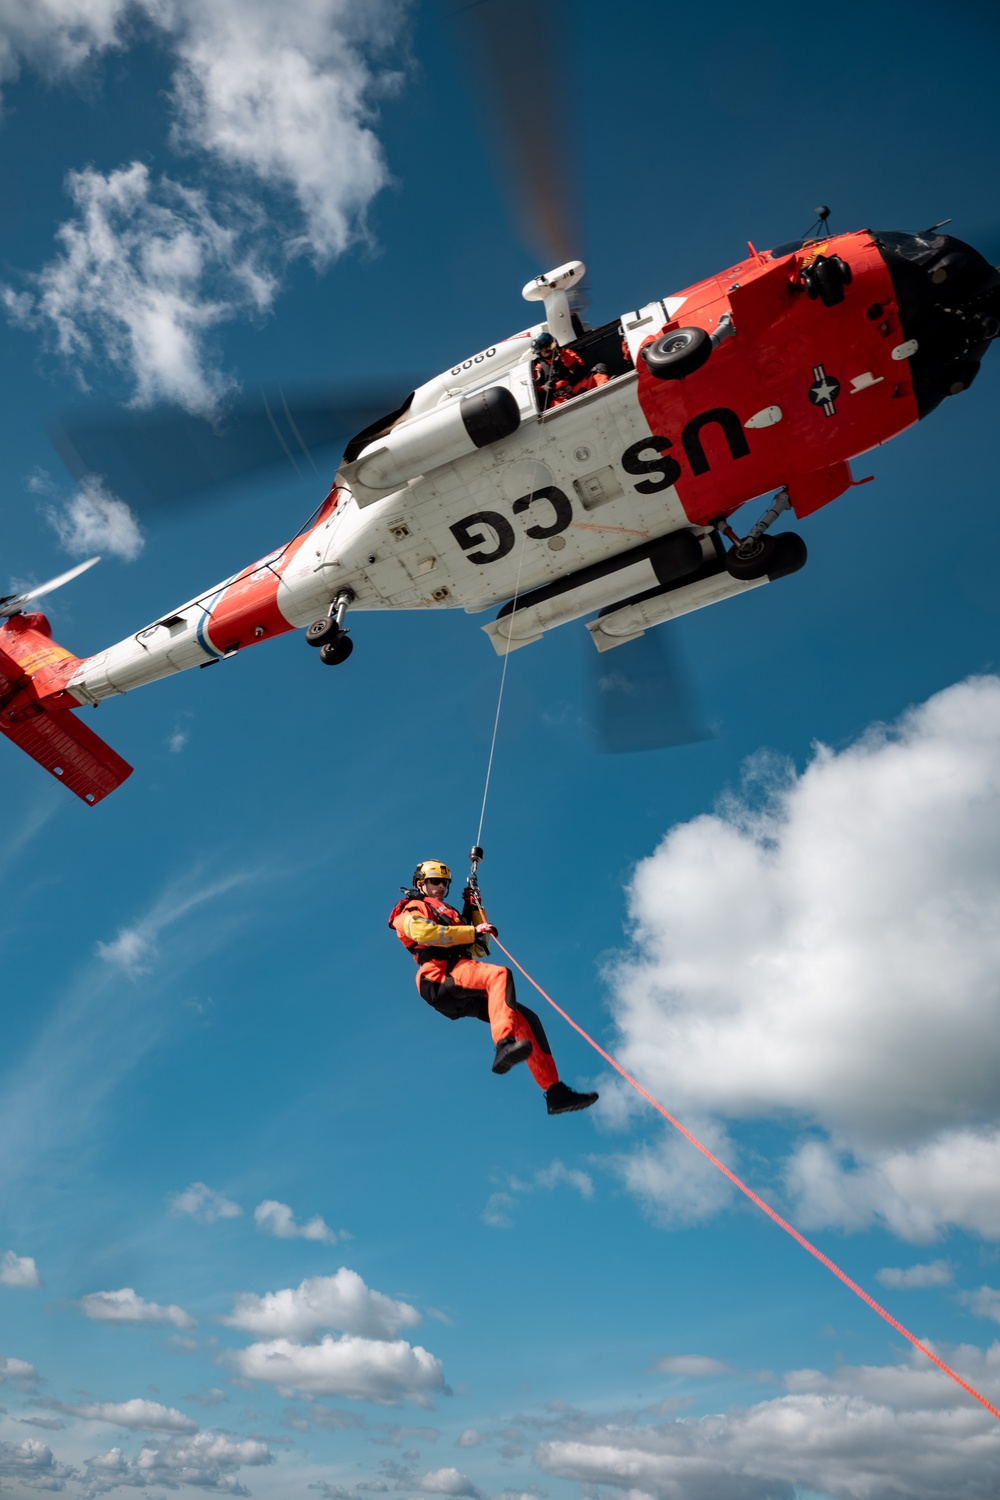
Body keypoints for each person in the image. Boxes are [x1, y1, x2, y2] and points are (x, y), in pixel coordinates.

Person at [388, 860, 599, 1115]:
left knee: (526, 1020)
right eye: (435, 881)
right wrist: (471, 931)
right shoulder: (411, 908)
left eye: (444, 882)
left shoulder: (452, 915)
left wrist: (476, 909)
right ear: (420, 883)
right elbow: (424, 933)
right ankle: (503, 1044)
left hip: (461, 978)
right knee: (499, 975)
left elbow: (480, 948)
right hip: (438, 976)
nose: (441, 887)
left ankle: (555, 1092)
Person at [531, 331, 588, 408]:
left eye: (547, 345)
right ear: (538, 351)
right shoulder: (538, 369)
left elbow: (578, 367)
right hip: (559, 399)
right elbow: (534, 391)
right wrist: (544, 388)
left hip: (576, 387)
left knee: (599, 371)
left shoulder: (566, 353)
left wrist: (561, 352)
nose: (545, 349)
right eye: (541, 348)